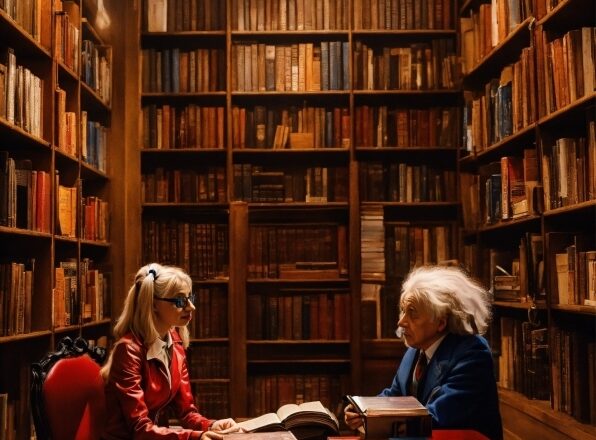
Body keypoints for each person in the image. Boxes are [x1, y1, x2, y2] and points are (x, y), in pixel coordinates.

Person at [344, 265, 503, 440]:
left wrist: (376, 422)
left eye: (412, 314)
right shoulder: (415, 349)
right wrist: (363, 411)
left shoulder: (472, 354)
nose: (401, 322)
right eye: (403, 310)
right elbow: (395, 398)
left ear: (440, 322)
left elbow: (436, 419)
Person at [100, 263, 239, 439]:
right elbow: (140, 427)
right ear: (154, 304)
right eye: (180, 301)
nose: (191, 307)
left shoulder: (175, 344)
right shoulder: (128, 350)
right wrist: (192, 437)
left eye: (190, 298)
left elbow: (187, 412)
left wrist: (211, 424)